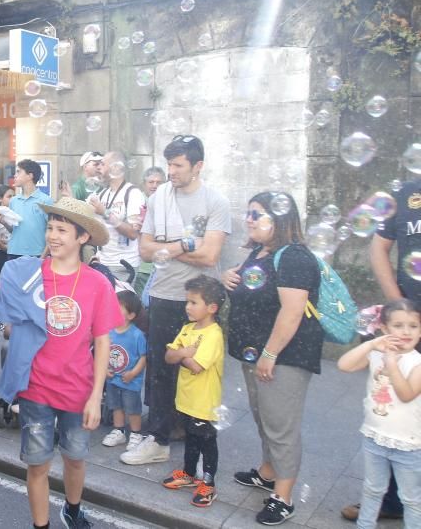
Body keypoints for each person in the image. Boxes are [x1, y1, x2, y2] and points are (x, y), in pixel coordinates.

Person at [0, 196, 121, 529]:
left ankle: (72, 508)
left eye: (62, 230)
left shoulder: (97, 284)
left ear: (82, 238)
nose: (53, 236)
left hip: (78, 390)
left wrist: (97, 396)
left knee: (75, 459)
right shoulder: (26, 273)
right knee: (38, 466)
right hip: (36, 389)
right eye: (50, 228)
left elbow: (102, 341)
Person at [122, 135, 230, 467]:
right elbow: (145, 251)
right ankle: (158, 438)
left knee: (197, 366)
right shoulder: (159, 198)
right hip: (164, 293)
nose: (171, 171)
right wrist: (185, 245)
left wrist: (167, 247)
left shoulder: (216, 201)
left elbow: (211, 255)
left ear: (198, 166)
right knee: (160, 367)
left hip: (201, 300)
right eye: (168, 164)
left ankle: (188, 429)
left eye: (178, 165)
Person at [221, 191, 321, 526]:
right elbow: (250, 286)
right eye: (248, 212)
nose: (248, 219)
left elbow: (292, 313)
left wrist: (269, 353)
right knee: (264, 417)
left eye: (256, 214)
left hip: (284, 357)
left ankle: (284, 497)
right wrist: (226, 279)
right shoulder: (261, 252)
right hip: (259, 354)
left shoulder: (294, 257)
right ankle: (267, 473)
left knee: (281, 426)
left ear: (278, 219)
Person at [347, 179, 421, 522]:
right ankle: (391, 499)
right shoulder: (407, 192)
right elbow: (379, 248)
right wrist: (399, 307)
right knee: (395, 401)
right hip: (410, 323)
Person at [337, 299, 421, 529]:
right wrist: (372, 345)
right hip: (375, 437)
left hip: (409, 445)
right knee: (372, 490)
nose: (406, 332)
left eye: (413, 326)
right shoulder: (377, 354)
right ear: (384, 328)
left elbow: (406, 393)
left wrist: (392, 364)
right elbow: (345, 365)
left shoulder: (417, 363)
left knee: (411, 499)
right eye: (398, 326)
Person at [161, 275, 226, 509]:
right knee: (191, 437)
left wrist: (182, 354)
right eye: (187, 302)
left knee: (207, 441)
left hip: (204, 402)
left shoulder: (214, 334)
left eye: (193, 302)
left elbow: (197, 366)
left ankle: (209, 483)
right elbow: (169, 357)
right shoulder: (188, 328)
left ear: (212, 308)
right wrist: (185, 352)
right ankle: (189, 474)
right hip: (186, 399)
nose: (187, 307)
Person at [102, 290, 148, 451]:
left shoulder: (137, 335)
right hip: (113, 379)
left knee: (132, 408)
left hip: (130, 380)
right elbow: (104, 352)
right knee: (116, 406)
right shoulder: (109, 332)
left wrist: (133, 373)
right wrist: (105, 369)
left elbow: (143, 357)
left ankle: (136, 433)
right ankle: (118, 430)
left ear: (131, 315)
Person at [90, 150, 146, 282]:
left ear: (116, 167)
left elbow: (133, 233)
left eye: (103, 164)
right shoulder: (103, 193)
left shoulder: (133, 193)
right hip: (103, 262)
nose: (98, 168)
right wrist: (98, 254)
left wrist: (105, 213)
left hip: (124, 265)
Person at [7, 159, 52, 261]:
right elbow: (14, 229)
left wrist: (43, 257)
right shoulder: (13, 201)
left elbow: (52, 231)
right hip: (14, 252)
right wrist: (4, 223)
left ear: (30, 176)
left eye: (18, 172)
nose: (15, 175)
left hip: (37, 254)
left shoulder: (45, 201)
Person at [133, 167, 167, 294]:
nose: (155, 186)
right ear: (144, 184)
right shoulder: (137, 201)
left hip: (163, 266)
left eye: (159, 183)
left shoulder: (169, 202)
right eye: (151, 182)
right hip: (142, 265)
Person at [0, 183, 15, 277]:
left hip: (10, 250)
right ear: (0, 199)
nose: (12, 199)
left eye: (14, 196)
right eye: (9, 196)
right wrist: (4, 248)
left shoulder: (12, 213)